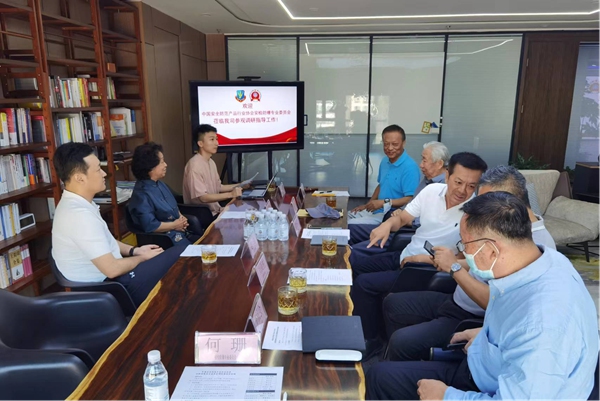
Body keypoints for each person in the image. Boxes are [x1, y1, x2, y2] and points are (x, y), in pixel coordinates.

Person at [366, 192, 598, 400]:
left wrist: (446, 396)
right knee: (379, 375)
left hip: (488, 387)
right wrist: (488, 334)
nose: (463, 253)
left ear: (491, 250)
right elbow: (514, 321)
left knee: (379, 378)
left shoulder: (542, 325)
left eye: (464, 245)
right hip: (486, 362)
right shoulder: (547, 261)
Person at [383, 166, 557, 362]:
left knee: (401, 342)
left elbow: (499, 302)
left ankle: (406, 370)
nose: (479, 211)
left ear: (510, 203)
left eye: (486, 204)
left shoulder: (535, 246)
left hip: (471, 317)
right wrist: (452, 261)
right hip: (456, 299)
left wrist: (455, 268)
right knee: (392, 303)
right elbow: (484, 265)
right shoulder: (506, 227)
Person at [351, 152, 487, 358]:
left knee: (364, 283)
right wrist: (388, 224)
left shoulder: (476, 213)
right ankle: (361, 323)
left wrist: (425, 259)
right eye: (458, 182)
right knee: (354, 263)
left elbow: (465, 261)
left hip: (425, 270)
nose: (463, 191)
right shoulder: (431, 191)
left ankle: (371, 340)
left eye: (471, 186)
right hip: (405, 254)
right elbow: (404, 218)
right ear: (447, 175)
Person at [52, 143, 184, 306]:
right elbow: (112, 269)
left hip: (113, 279)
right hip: (111, 289)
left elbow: (106, 241)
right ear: (80, 177)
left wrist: (134, 250)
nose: (104, 174)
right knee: (182, 254)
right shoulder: (79, 216)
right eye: (98, 169)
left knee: (178, 256)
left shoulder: (78, 204)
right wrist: (141, 258)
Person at [349, 141, 449, 255]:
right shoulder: (427, 180)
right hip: (396, 221)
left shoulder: (444, 187)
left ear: (439, 164)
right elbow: (413, 203)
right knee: (350, 230)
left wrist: (406, 218)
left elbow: (433, 221)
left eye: (424, 160)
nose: (421, 165)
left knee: (353, 252)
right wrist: (401, 210)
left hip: (410, 233)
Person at [128, 142, 201, 246]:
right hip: (168, 239)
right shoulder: (141, 195)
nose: (165, 165)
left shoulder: (160, 184)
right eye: (162, 162)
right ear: (150, 167)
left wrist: (182, 219)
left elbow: (174, 206)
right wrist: (174, 225)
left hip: (183, 232)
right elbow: (150, 225)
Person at [348, 124, 420, 226]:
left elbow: (410, 199)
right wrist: (368, 205)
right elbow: (381, 185)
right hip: (375, 210)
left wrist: (384, 202)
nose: (390, 148)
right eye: (386, 144)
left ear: (403, 143)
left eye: (395, 144)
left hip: (389, 215)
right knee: (343, 217)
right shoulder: (385, 161)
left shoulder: (410, 167)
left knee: (350, 225)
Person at [183, 124, 242, 216]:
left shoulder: (211, 162)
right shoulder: (194, 166)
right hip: (204, 215)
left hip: (216, 211)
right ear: (200, 143)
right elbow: (203, 197)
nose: (216, 143)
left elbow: (218, 187)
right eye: (212, 139)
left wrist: (241, 185)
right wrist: (231, 194)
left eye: (216, 139)